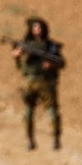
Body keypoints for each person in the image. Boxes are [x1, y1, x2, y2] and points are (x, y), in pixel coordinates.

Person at [10, 17, 65, 150]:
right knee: (28, 111)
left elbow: (61, 62)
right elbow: (20, 65)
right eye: (35, 27)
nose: (37, 30)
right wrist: (17, 55)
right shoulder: (26, 45)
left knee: (51, 111)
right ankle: (29, 140)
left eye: (40, 27)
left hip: (45, 82)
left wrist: (50, 64)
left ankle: (56, 139)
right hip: (29, 82)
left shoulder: (50, 46)